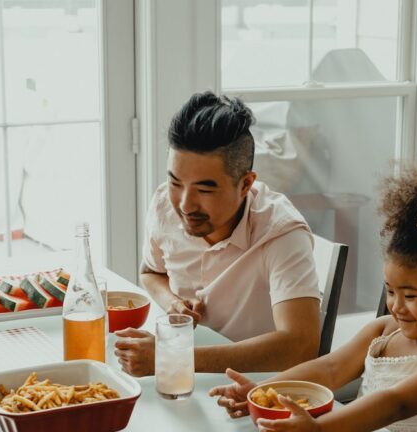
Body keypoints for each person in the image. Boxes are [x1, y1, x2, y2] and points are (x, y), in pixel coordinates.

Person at [209, 165, 417, 432]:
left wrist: (317, 431)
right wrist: (263, 391)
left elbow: (396, 402)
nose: (395, 306)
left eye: (411, 296)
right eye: (391, 291)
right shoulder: (383, 333)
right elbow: (330, 369)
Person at [115, 91, 321, 376]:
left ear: (246, 184)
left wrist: (174, 358)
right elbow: (150, 273)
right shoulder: (165, 204)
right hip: (183, 380)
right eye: (175, 182)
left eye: (205, 189)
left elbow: (301, 345)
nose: (185, 204)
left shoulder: (281, 233)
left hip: (257, 387)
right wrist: (172, 302)